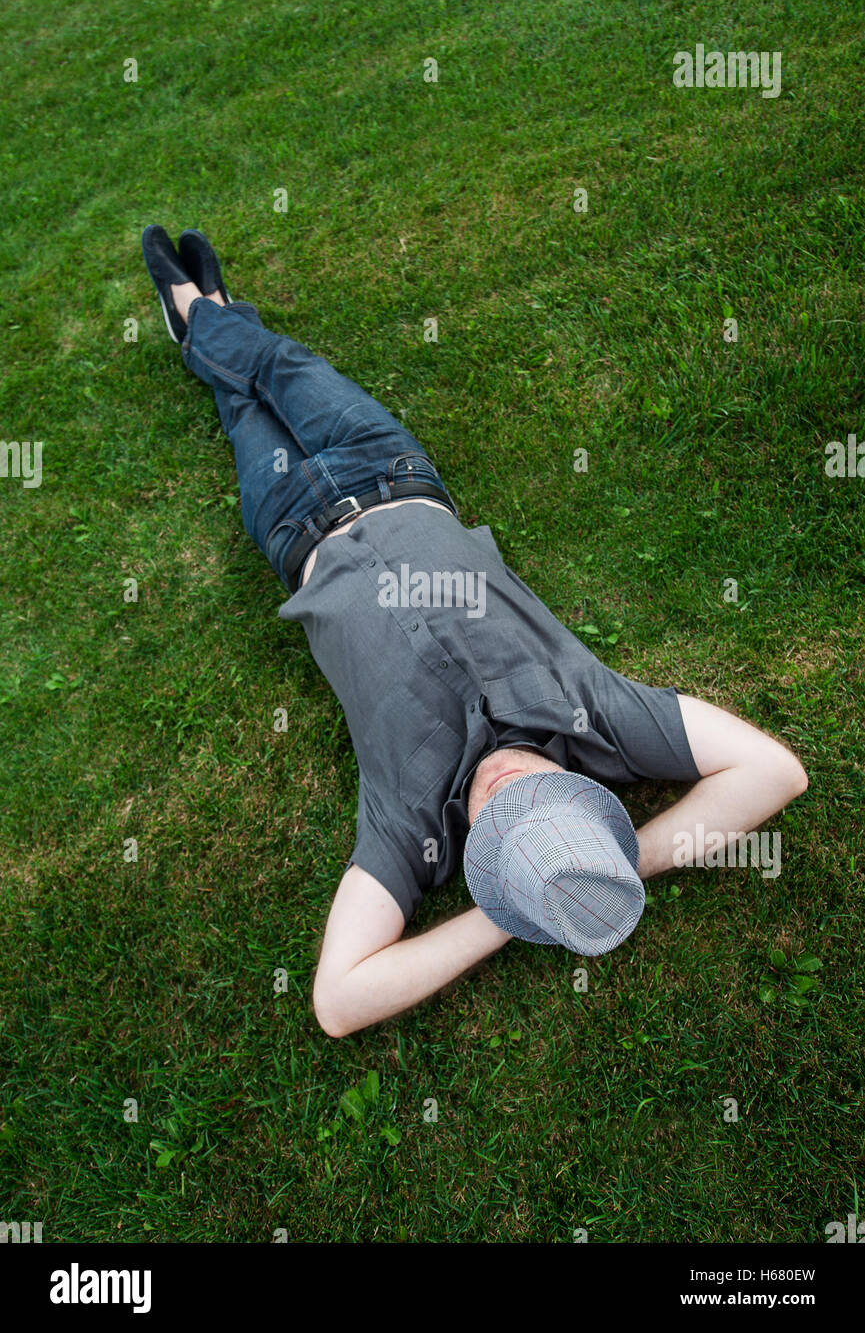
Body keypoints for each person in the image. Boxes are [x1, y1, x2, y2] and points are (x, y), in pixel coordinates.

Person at [142, 225, 809, 1039]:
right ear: (584, 796)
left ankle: (202, 317)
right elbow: (775, 771)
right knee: (285, 367)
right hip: (389, 465)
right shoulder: (597, 717)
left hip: (291, 527)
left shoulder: (409, 824)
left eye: (497, 821)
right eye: (536, 792)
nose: (498, 785)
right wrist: (614, 863)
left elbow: (338, 1002)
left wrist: (510, 905)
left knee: (243, 404)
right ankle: (203, 309)